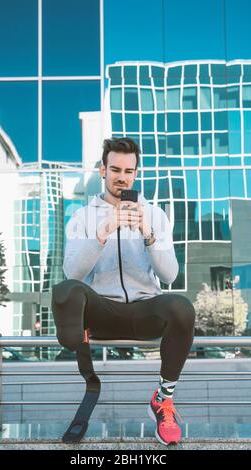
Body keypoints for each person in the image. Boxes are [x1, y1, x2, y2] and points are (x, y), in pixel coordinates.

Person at [60, 137, 196, 445]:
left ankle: (164, 399)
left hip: (144, 310)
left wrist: (148, 234)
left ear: (136, 173)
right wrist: (103, 232)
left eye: (129, 171)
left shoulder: (156, 215)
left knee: (182, 307)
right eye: (115, 169)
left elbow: (170, 274)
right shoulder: (83, 217)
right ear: (102, 170)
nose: (122, 176)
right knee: (66, 289)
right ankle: (71, 340)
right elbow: (73, 273)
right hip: (101, 314)